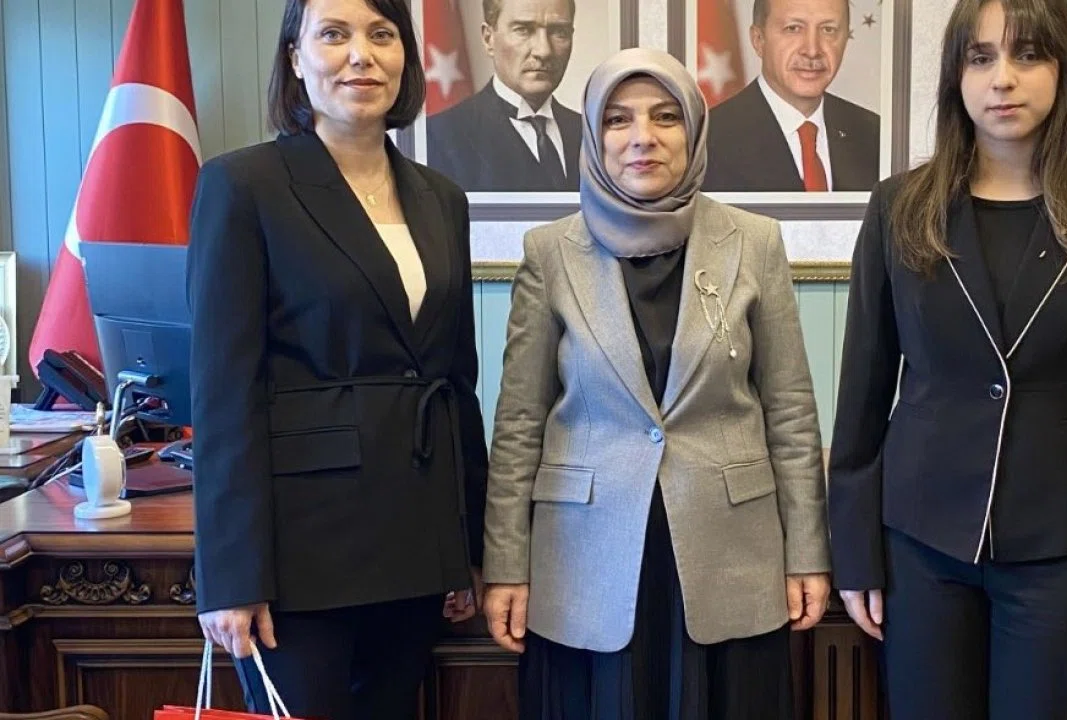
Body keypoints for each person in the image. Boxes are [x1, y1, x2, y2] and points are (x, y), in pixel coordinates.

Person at [826, 0, 1067, 717]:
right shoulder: (900, 208)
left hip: (1064, 551)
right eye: (980, 57)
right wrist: (854, 553)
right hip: (920, 545)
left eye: (1028, 54)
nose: (1002, 78)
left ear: (1063, 68)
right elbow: (862, 394)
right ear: (956, 75)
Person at [481, 47, 831, 720]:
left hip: (729, 555)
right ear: (593, 135)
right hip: (586, 562)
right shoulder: (550, 253)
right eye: (618, 119)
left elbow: (790, 412)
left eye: (666, 117)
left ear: (694, 130)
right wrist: (505, 564)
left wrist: (807, 553)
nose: (643, 136)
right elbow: (519, 425)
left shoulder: (753, 242)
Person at [187, 0, 487, 718]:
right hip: (304, 557)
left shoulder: (441, 198)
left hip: (415, 544)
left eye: (382, 35)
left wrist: (469, 545)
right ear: (295, 57)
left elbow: (456, 383)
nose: (362, 55)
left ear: (405, 56)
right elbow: (225, 394)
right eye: (333, 34)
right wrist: (230, 575)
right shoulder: (245, 186)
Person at [703, 0, 879, 193]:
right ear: (758, 40)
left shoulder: (874, 135)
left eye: (828, 30)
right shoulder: (708, 140)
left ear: (845, 39)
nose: (812, 51)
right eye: (793, 28)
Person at [425, 0, 582, 191]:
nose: (544, 51)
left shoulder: (592, 135)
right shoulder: (437, 137)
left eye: (559, 32)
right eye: (523, 30)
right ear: (488, 39)